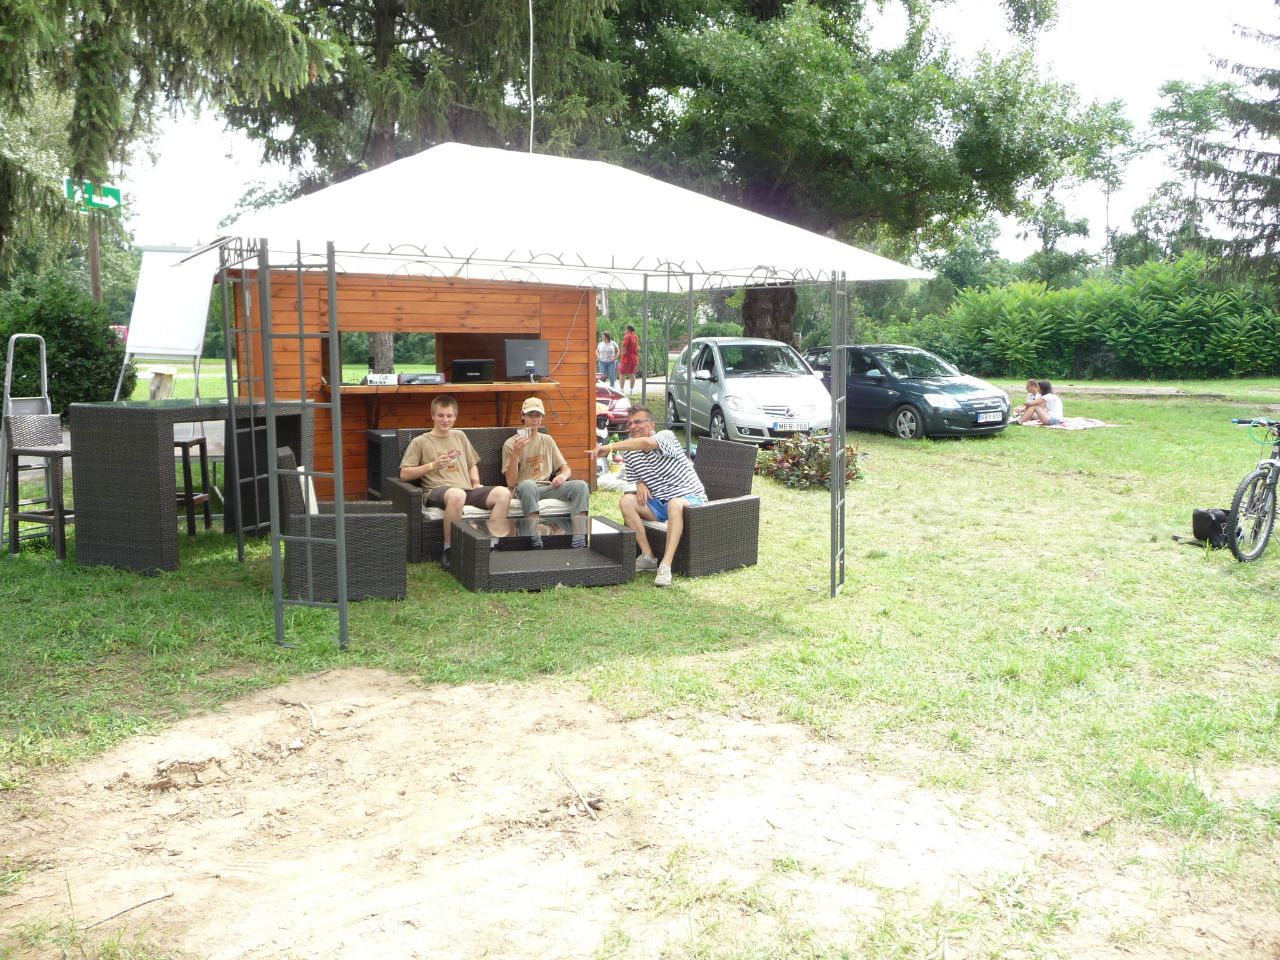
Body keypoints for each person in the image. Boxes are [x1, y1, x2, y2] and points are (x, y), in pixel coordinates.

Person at [591, 406, 705, 587]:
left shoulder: (666, 436)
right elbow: (635, 478)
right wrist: (640, 483)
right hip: (659, 504)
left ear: (652, 424)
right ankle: (649, 558)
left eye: (638, 422)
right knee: (627, 501)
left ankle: (665, 566)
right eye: (629, 424)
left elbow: (646, 443)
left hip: (690, 499)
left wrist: (610, 446)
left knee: (674, 504)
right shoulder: (630, 451)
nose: (632, 426)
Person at [399, 395, 512, 570]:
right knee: (457, 494)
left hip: (466, 490)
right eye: (441, 415)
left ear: (455, 417)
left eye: (449, 416)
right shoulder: (420, 441)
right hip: (437, 490)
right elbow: (404, 474)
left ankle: (491, 546)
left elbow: (472, 464)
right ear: (433, 415)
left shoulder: (460, 436)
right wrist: (432, 466)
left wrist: (475, 482)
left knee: (503, 494)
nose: (445, 420)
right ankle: (450, 549)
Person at [502, 397, 590, 548]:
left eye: (537, 415)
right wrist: (516, 453)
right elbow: (510, 482)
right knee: (528, 484)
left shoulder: (547, 440)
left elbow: (566, 468)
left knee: (581, 486)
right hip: (524, 489)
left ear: (542, 417)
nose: (534, 419)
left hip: (547, 487)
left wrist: (562, 476)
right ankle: (534, 537)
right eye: (530, 415)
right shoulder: (511, 443)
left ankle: (579, 540)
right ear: (522, 416)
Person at [618, 324, 640, 393]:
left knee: (622, 373)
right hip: (634, 357)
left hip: (627, 358)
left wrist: (623, 352)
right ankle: (631, 390)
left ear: (628, 329)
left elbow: (624, 344)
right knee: (632, 373)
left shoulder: (628, 336)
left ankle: (621, 389)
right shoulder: (635, 337)